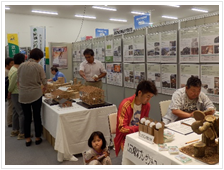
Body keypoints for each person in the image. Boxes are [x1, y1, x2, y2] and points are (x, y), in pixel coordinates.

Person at [114, 80, 158, 156]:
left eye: (151, 97)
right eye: (147, 96)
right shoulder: (126, 105)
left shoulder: (146, 105)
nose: (149, 100)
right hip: (125, 137)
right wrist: (139, 128)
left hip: (138, 135)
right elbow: (122, 128)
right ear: (139, 93)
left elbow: (144, 122)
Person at [17, 48, 48, 147]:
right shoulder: (38, 67)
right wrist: (44, 89)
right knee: (37, 116)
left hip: (23, 95)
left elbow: (18, 81)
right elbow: (44, 81)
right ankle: (38, 137)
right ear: (38, 57)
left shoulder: (21, 66)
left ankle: (27, 139)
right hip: (36, 94)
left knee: (27, 117)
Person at [8, 53, 25, 139]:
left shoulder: (12, 69)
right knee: (21, 113)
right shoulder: (16, 71)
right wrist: (9, 92)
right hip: (16, 93)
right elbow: (11, 84)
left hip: (14, 93)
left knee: (15, 111)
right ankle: (22, 133)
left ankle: (15, 130)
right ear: (22, 61)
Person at [5, 57, 14, 127]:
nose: (12, 65)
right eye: (11, 63)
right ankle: (9, 122)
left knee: (11, 106)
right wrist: (8, 93)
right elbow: (7, 84)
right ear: (7, 64)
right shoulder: (6, 72)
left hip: (9, 91)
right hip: (8, 92)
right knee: (10, 106)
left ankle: (10, 121)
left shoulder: (9, 71)